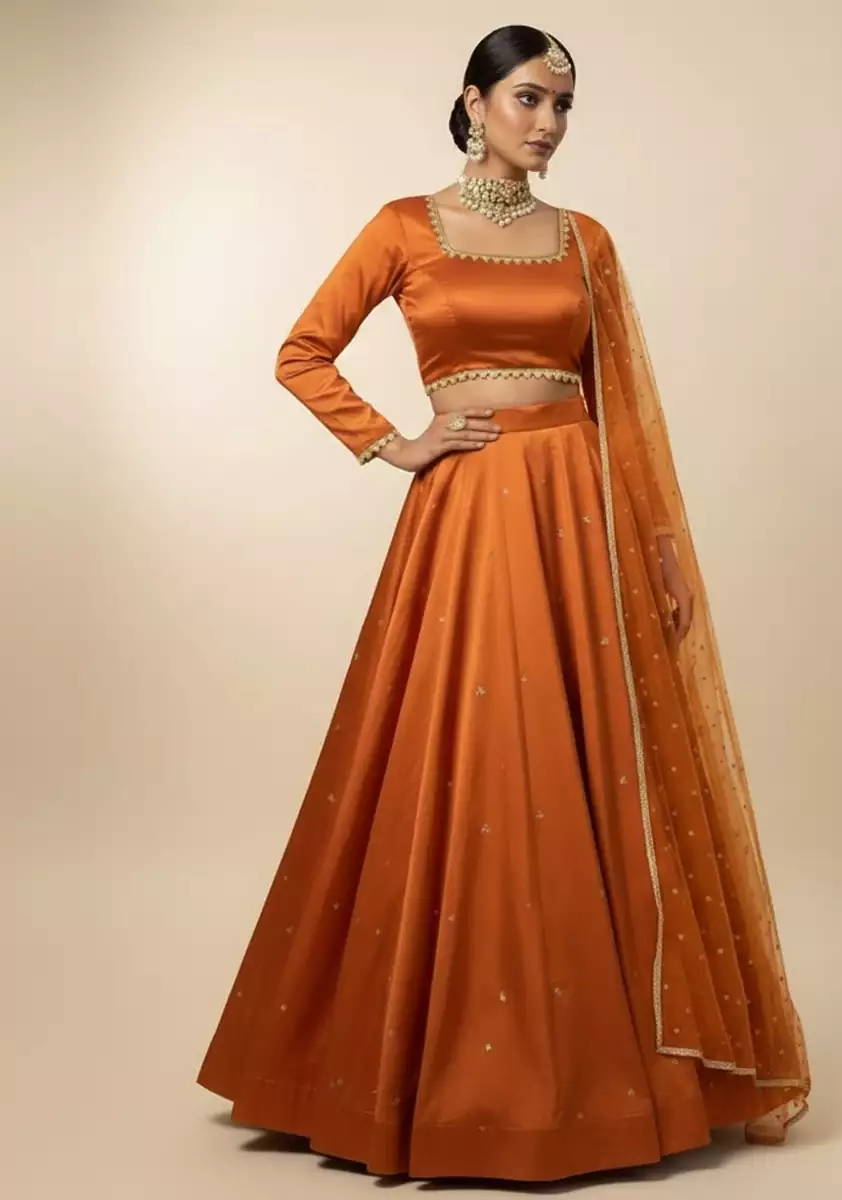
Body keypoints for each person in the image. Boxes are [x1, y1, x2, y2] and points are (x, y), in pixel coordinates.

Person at [196, 24, 811, 1183]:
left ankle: (625, 1070)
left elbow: (622, 406)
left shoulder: (585, 240)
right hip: (470, 517)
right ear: (473, 102)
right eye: (528, 98)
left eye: (564, 105)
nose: (549, 123)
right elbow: (302, 350)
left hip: (580, 517)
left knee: (596, 766)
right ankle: (416, 1068)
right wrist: (396, 441)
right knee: (465, 761)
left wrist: (661, 548)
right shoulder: (403, 227)